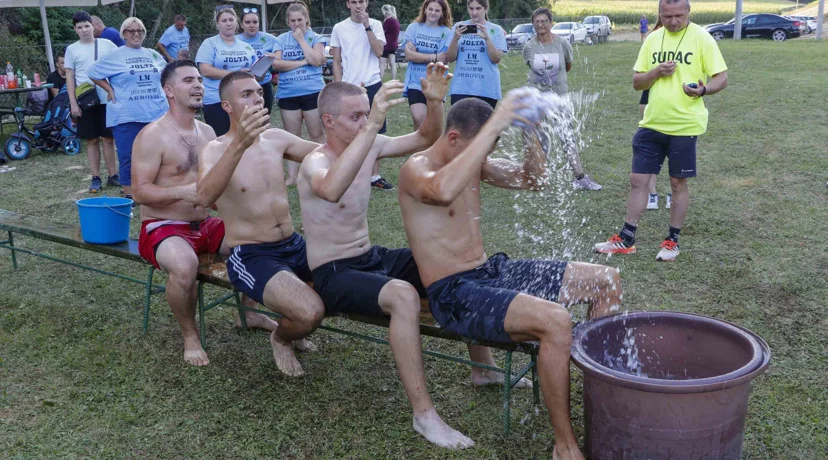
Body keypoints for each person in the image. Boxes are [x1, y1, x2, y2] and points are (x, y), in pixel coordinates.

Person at [397, 94, 623, 460]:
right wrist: (500, 117)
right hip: (453, 293)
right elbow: (441, 191)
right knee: (555, 321)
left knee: (606, 279)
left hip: (491, 271)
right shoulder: (417, 169)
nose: (485, 155)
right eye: (483, 143)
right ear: (454, 139)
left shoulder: (472, 161)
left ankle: (607, 400)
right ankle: (564, 446)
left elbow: (533, 179)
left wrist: (530, 130)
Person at [297, 65, 473, 449]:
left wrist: (434, 100)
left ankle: (485, 368)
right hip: (334, 271)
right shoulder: (317, 160)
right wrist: (373, 125)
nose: (364, 122)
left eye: (366, 113)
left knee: (447, 259)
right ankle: (424, 415)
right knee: (402, 295)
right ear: (327, 120)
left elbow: (427, 135)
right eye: (355, 116)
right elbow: (330, 189)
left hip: (369, 256)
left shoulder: (370, 143)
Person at [131, 60, 279, 366]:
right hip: (163, 226)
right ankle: (190, 336)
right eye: (188, 80)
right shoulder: (152, 135)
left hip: (205, 224)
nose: (198, 85)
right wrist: (183, 192)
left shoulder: (207, 130)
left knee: (259, 235)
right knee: (184, 266)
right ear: (169, 90)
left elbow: (216, 183)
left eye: (199, 79)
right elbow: (140, 192)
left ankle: (249, 312)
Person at [196, 71, 322, 376]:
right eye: (246, 94)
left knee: (340, 284)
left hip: (293, 244)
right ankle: (281, 338)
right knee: (308, 313)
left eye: (259, 92)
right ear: (227, 106)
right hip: (252, 253)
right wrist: (240, 143)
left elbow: (326, 155)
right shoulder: (215, 149)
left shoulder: (276, 138)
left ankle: (272, 318)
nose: (257, 98)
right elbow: (203, 197)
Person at [595, 0, 728, 262]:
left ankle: (672, 240)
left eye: (679, 15)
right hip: (652, 123)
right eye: (667, 16)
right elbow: (636, 82)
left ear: (689, 12)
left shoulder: (702, 38)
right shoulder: (653, 39)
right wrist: (655, 72)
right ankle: (627, 237)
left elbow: (721, 78)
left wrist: (703, 90)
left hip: (685, 125)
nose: (673, 21)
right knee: (638, 180)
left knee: (678, 183)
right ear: (660, 14)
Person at [522, 8, 602, 191]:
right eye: (537, 22)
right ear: (533, 24)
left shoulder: (562, 44)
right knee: (539, 138)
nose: (540, 25)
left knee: (567, 137)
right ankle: (539, 177)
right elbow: (530, 67)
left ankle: (580, 177)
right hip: (536, 97)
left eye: (544, 21)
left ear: (551, 22)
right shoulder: (529, 47)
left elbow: (568, 66)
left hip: (559, 96)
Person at [89, 17, 169, 201]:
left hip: (156, 112)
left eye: (140, 31)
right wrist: (108, 89)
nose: (136, 34)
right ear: (123, 34)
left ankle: (155, 189)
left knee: (159, 154)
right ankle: (130, 194)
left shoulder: (153, 54)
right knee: (128, 156)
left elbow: (167, 75)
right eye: (131, 31)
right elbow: (93, 72)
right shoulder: (116, 55)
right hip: (126, 114)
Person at [330, 0, 393, 191]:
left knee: (375, 131)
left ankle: (374, 176)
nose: (358, 6)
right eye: (354, 2)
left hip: (372, 83)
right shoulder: (339, 28)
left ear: (367, 4)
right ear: (348, 4)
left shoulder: (375, 24)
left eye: (362, 1)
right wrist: (339, 85)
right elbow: (336, 60)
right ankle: (348, 173)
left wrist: (367, 26)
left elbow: (379, 51)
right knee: (348, 131)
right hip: (349, 86)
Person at [272, 2, 327, 186]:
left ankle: (320, 169)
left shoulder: (315, 37)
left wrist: (302, 41)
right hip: (288, 93)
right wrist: (303, 62)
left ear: (307, 20)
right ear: (288, 21)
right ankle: (293, 176)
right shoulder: (280, 39)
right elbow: (276, 64)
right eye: (293, 20)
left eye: (300, 20)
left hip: (312, 91)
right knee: (292, 136)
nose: (296, 24)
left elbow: (318, 60)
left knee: (316, 134)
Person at [65, 10, 119, 193]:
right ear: (75, 30)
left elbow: (119, 67)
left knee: (109, 139)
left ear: (93, 26)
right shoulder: (72, 49)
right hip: (86, 99)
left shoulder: (108, 44)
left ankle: (113, 175)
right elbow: (70, 77)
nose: (84, 30)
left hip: (107, 98)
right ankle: (95, 177)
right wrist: (73, 103)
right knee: (92, 140)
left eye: (87, 26)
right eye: (80, 27)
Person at [196, 6, 256, 137]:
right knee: (223, 140)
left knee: (246, 138)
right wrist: (236, 74)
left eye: (231, 19)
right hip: (217, 100)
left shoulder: (246, 46)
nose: (228, 23)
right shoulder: (209, 44)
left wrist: (265, 65)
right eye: (224, 21)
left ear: (237, 22)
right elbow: (205, 70)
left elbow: (255, 73)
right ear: (217, 24)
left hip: (243, 100)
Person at [445, 0, 507, 109]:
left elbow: (496, 59)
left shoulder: (495, 30)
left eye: (478, 8)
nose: (474, 12)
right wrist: (455, 39)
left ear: (485, 9)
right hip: (461, 87)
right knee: (460, 125)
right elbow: (449, 58)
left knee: (483, 126)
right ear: (467, 8)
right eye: (471, 8)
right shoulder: (459, 27)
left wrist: (487, 38)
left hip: (486, 88)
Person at [402, 0, 452, 130]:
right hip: (416, 81)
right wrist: (434, 57)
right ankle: (418, 148)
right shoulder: (414, 28)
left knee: (433, 124)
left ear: (442, 13)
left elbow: (444, 59)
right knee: (419, 118)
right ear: (425, 9)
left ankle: (430, 149)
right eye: (430, 9)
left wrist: (419, 55)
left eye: (437, 10)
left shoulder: (446, 32)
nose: (433, 13)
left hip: (436, 82)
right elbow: (409, 55)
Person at [639, 18, 667, 210]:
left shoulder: (691, 38)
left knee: (675, 154)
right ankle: (652, 195)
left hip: (679, 104)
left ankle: (672, 195)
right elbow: (640, 75)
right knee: (651, 150)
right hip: (650, 98)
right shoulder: (653, 38)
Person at [236, 7, 278, 116]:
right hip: (242, 86)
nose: (251, 25)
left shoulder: (270, 39)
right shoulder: (235, 40)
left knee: (264, 119)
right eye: (247, 22)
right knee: (245, 118)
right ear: (241, 24)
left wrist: (273, 59)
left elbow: (280, 57)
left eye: (255, 22)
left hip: (263, 85)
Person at [380, 5, 400, 81]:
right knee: (393, 63)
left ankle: (380, 82)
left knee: (381, 64)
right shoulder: (396, 20)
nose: (382, 14)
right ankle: (394, 80)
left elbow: (382, 32)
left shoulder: (388, 21)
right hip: (394, 45)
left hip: (386, 45)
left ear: (386, 11)